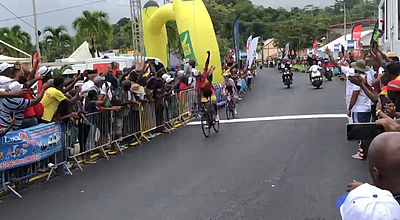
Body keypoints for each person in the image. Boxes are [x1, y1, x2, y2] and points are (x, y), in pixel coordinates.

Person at [348, 60, 373, 160]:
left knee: (360, 132)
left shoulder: (357, 79)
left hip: (359, 108)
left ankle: (362, 152)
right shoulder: (368, 77)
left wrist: (350, 108)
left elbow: (355, 94)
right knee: (367, 131)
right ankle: (367, 150)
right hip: (367, 107)